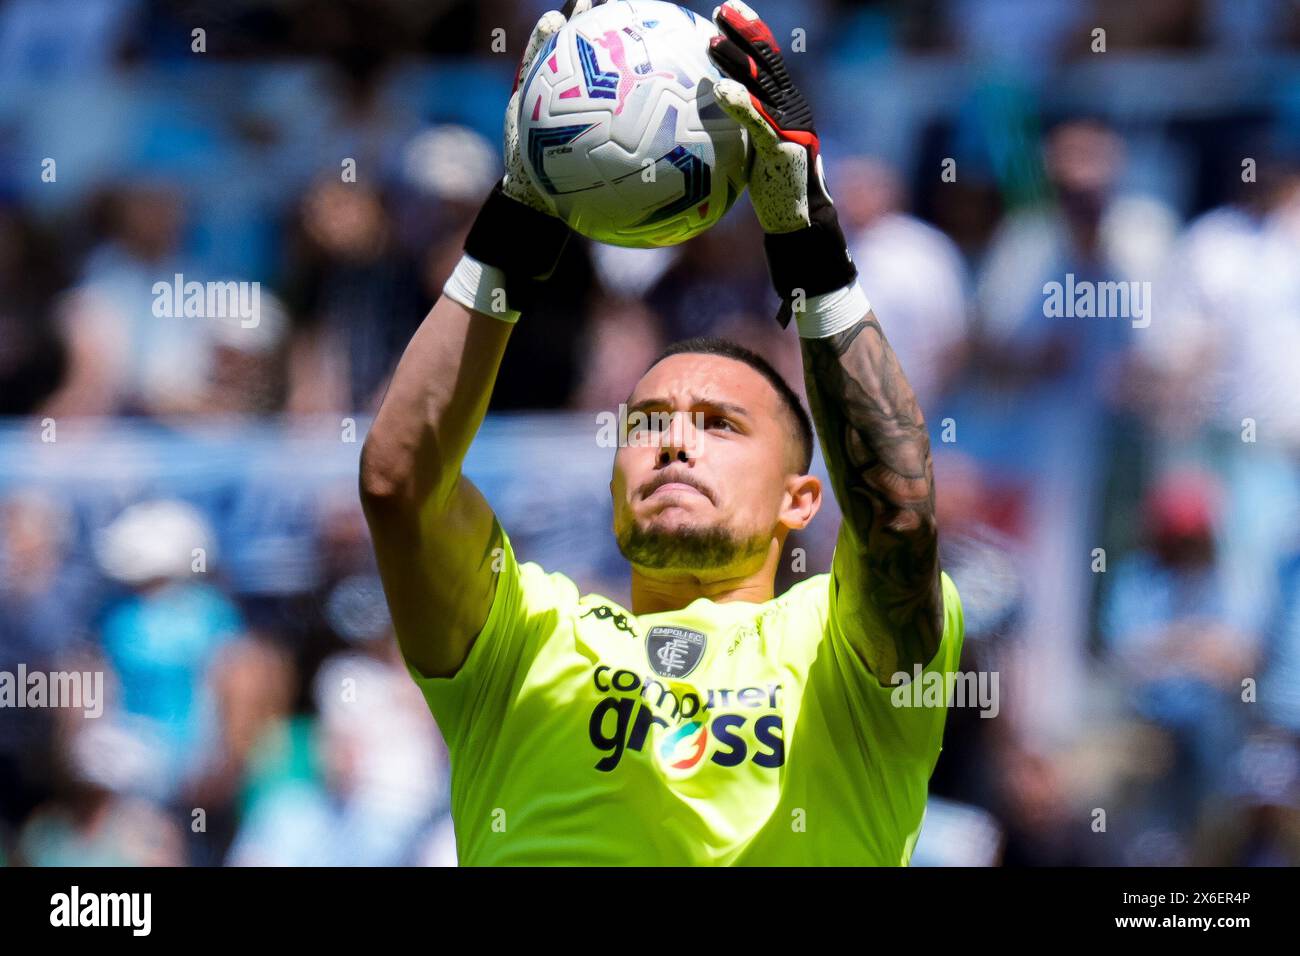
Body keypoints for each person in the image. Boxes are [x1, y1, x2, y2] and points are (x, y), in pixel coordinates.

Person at [360, 0, 964, 866]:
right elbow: (399, 487)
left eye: (720, 425)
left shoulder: (837, 653)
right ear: (612, 486)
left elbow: (900, 519)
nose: (674, 442)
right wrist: (519, 218)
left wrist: (809, 246)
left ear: (801, 498)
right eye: (645, 425)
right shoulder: (527, 639)